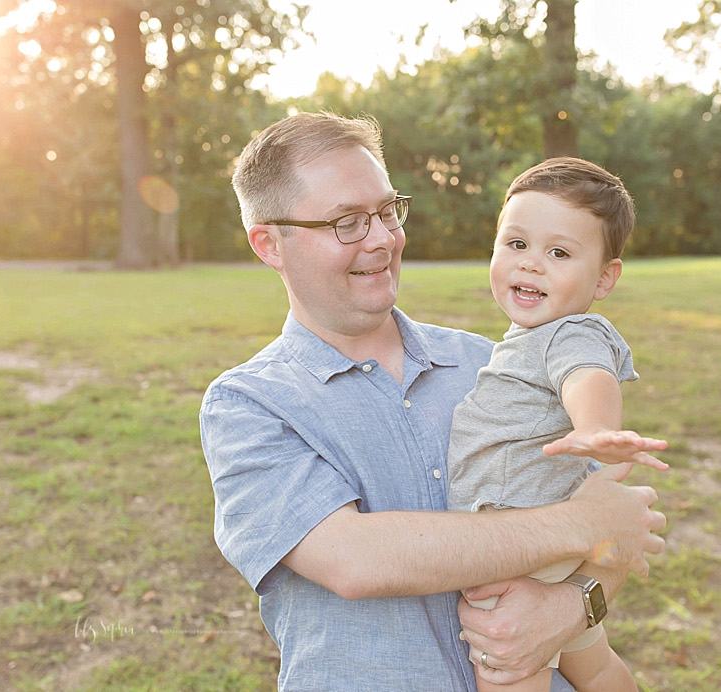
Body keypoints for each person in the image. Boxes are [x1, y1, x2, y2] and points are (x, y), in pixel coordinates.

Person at [198, 112, 666, 691]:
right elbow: (353, 559)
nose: (381, 239)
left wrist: (573, 606)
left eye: (387, 211)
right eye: (347, 221)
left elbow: (613, 530)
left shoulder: (492, 365)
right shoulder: (249, 405)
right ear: (270, 243)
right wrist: (577, 525)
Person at [448, 157, 668, 692]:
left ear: (604, 277)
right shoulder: (531, 335)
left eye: (559, 253)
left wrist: (594, 429)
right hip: (546, 539)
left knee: (510, 667)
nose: (530, 265)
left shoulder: (569, 334)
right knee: (592, 663)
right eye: (516, 244)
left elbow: (586, 376)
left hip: (519, 543)